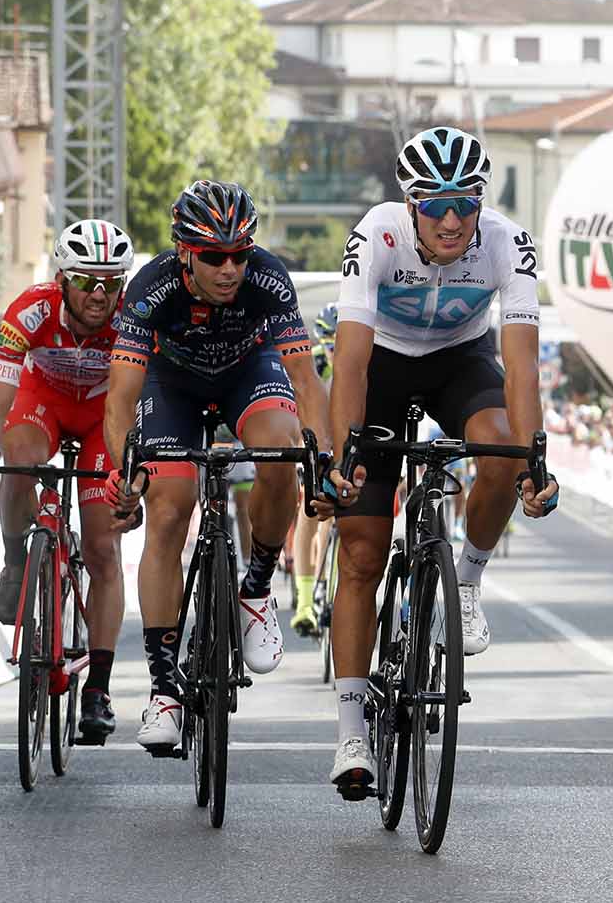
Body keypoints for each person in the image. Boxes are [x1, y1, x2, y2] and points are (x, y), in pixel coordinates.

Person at [319, 127, 560, 795]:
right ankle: (350, 731)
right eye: (435, 205)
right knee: (363, 553)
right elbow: (353, 360)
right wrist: (344, 453)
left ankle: (470, 578)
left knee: (505, 447)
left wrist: (534, 460)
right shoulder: (378, 233)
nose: (452, 221)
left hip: (460, 360)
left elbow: (520, 367)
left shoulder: (508, 242)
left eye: (466, 204)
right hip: (384, 366)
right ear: (411, 204)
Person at [107, 182, 331, 755]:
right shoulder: (149, 290)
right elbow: (119, 399)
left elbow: (306, 381)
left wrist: (325, 459)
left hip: (246, 374)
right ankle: (163, 689)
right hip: (172, 386)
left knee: (281, 452)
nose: (230, 268)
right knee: (168, 508)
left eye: (240, 253)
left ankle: (256, 588)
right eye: (213, 256)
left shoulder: (268, 277)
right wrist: (122, 470)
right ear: (185, 252)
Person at [0, 220, 133, 741]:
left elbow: (143, 406)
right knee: (16, 457)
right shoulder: (29, 310)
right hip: (46, 404)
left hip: (106, 416)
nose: (99, 294)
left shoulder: (133, 318)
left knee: (104, 550)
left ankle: (99, 689)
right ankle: (18, 563)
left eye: (110, 281)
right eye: (85, 280)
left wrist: (135, 476)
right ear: (61, 280)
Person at [289, 303, 341, 636]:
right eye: (334, 344)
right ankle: (305, 601)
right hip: (313, 439)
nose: (339, 352)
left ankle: (330, 587)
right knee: (310, 512)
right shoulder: (317, 365)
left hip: (346, 444)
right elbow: (297, 411)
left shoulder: (365, 361)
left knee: (337, 517)